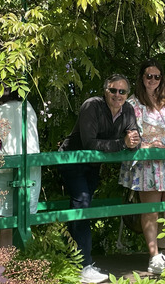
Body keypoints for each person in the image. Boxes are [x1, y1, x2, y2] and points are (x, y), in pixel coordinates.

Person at [59, 74, 141, 284]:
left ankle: (75, 261)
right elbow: (89, 143)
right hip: (73, 159)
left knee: (83, 207)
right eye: (113, 90)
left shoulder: (128, 109)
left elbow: (135, 138)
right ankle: (83, 265)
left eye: (122, 92)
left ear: (127, 94)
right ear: (105, 91)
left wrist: (133, 141)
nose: (117, 95)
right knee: (82, 204)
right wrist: (122, 143)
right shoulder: (91, 106)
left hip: (93, 165)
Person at [119, 59, 165, 274]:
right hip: (147, 163)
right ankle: (154, 257)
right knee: (150, 211)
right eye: (148, 76)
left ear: (162, 78)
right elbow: (129, 134)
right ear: (142, 78)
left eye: (156, 76)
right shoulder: (132, 103)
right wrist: (149, 143)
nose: (152, 80)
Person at [0, 90, 41, 247]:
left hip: (5, 172)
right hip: (29, 170)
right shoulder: (28, 108)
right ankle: (19, 262)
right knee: (23, 220)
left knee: (5, 224)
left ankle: (5, 263)